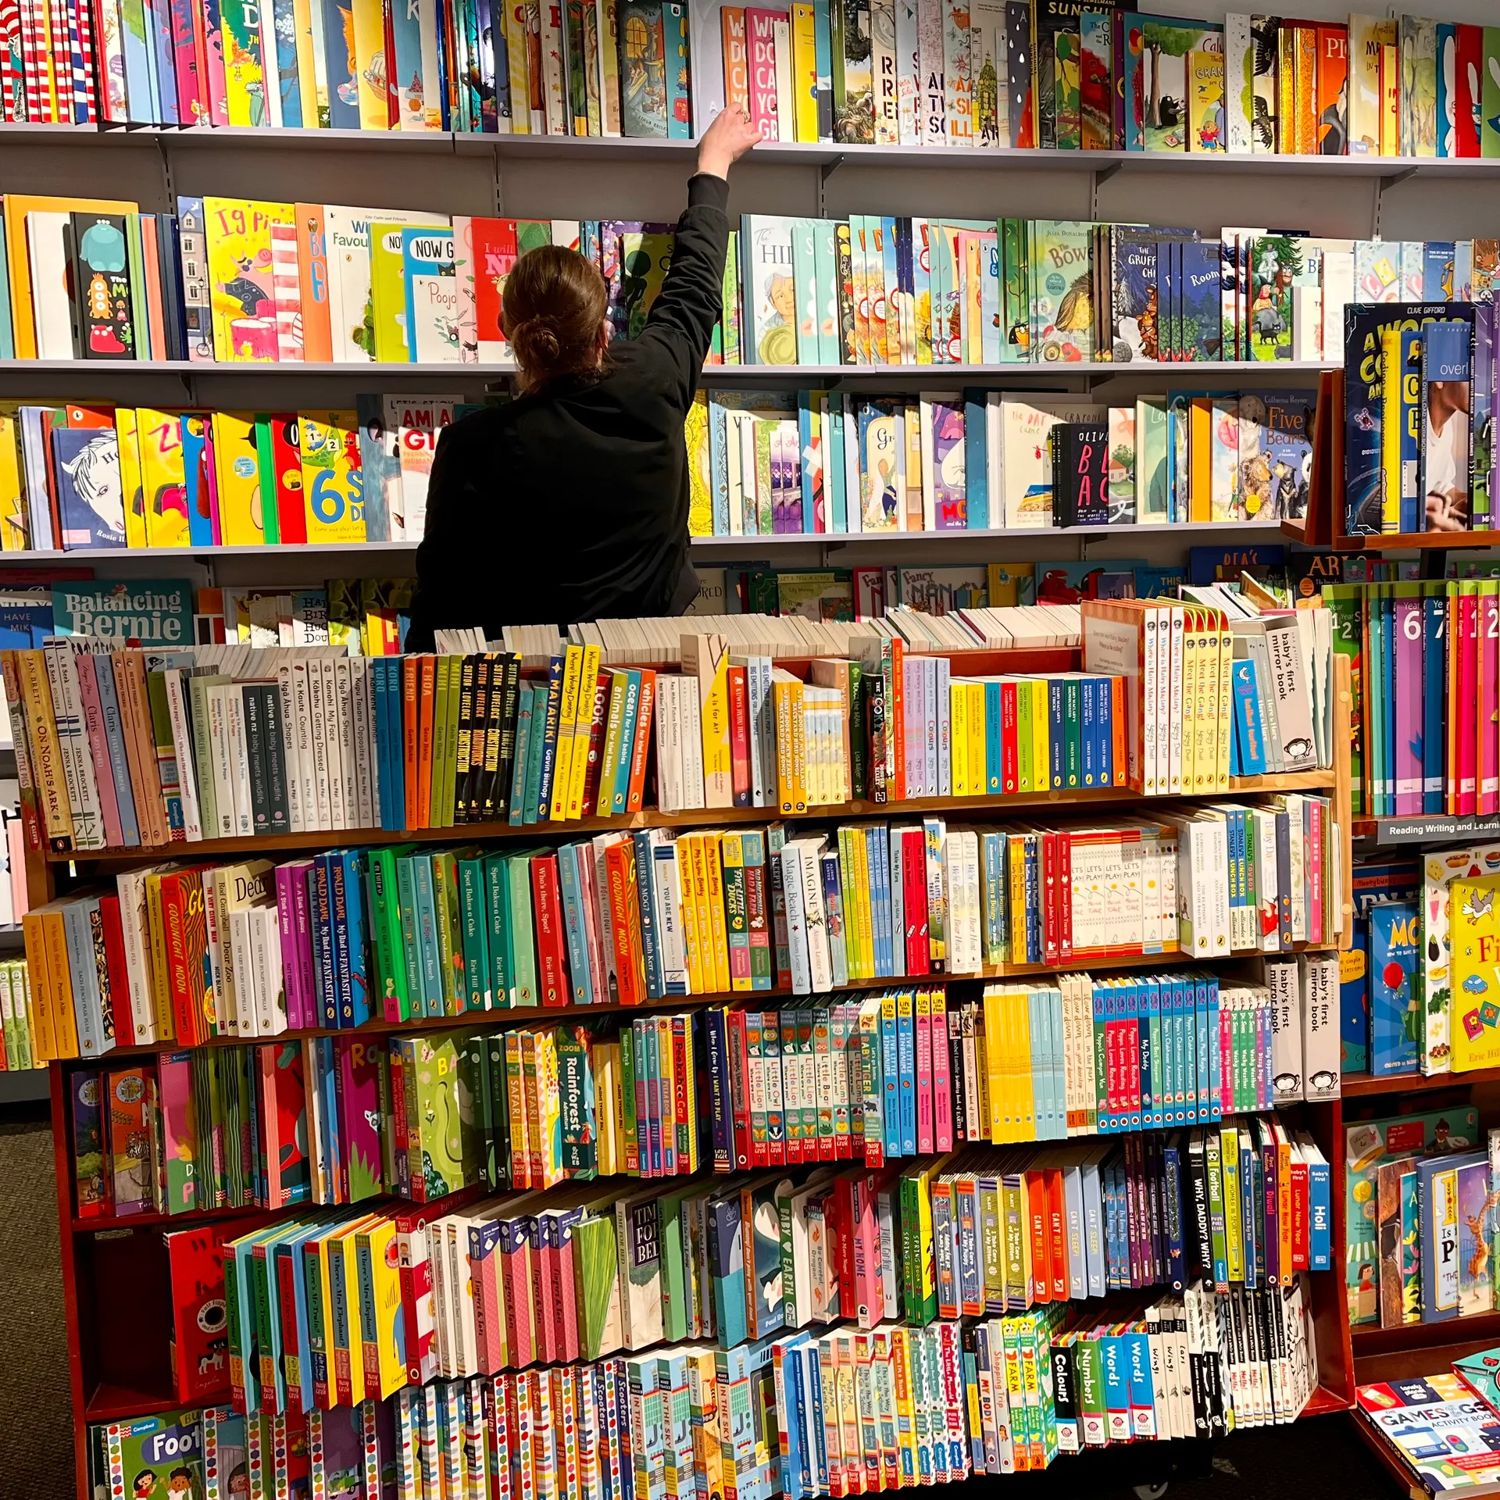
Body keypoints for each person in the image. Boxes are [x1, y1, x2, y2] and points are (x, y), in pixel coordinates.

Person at [404, 107, 761, 652]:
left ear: (507, 332)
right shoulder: (656, 378)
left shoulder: (475, 446)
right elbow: (696, 285)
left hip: (533, 696)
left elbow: (442, 599)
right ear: (603, 333)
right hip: (655, 680)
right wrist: (713, 163)